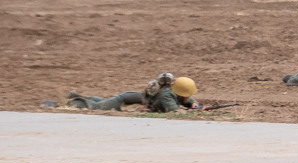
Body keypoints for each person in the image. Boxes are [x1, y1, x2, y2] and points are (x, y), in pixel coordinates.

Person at [68, 72, 202, 112]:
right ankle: (72, 103)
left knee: (104, 102)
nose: (190, 96)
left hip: (133, 96)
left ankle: (80, 97)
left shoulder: (175, 91)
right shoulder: (167, 95)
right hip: (125, 98)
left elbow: (187, 100)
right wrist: (192, 110)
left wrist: (194, 104)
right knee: (98, 107)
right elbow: (174, 111)